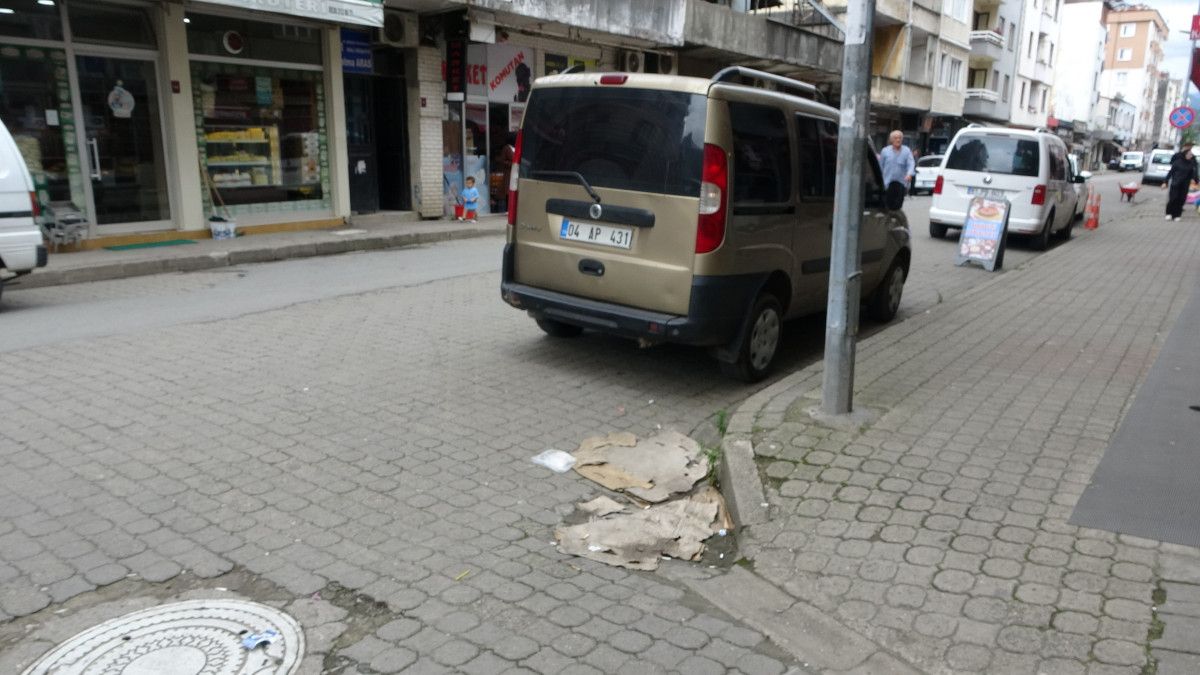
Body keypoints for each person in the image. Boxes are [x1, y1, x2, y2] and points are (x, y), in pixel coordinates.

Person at [878, 130, 915, 210]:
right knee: (887, 206)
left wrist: (909, 174)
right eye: (895, 138)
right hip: (887, 183)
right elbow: (880, 167)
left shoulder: (906, 151)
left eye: (900, 138)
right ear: (891, 140)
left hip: (901, 183)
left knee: (897, 206)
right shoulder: (885, 151)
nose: (898, 140)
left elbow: (911, 163)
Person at [1161, 146, 1197, 221]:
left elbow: (1193, 174)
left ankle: (1177, 215)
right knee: (1173, 199)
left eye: (1191, 155)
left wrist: (1194, 179)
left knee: (1181, 200)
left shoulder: (1191, 164)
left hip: (1185, 185)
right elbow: (1170, 173)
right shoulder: (1177, 162)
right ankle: (1169, 213)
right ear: (1185, 154)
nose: (1190, 156)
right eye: (1189, 154)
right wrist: (1165, 182)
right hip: (1175, 184)